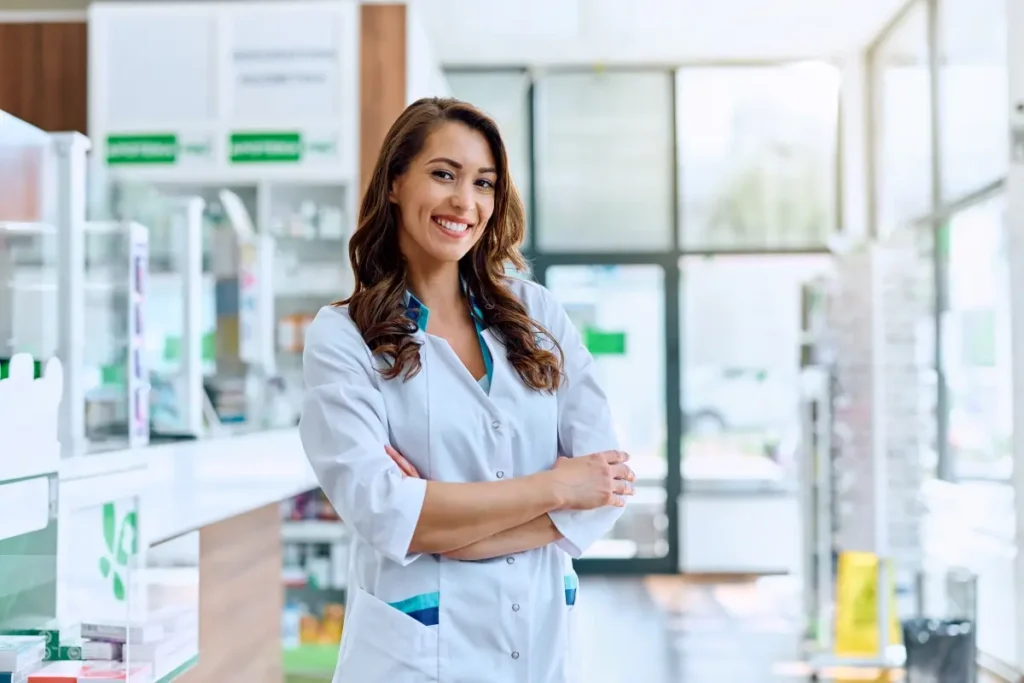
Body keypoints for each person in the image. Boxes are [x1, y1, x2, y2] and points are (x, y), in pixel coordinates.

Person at [299, 97, 635, 683]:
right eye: (443, 174)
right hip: (413, 657)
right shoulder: (344, 336)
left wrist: (449, 526)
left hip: (538, 640)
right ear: (396, 182)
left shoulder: (537, 314)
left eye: (484, 183)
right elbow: (385, 513)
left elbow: (605, 484)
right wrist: (557, 486)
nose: (465, 201)